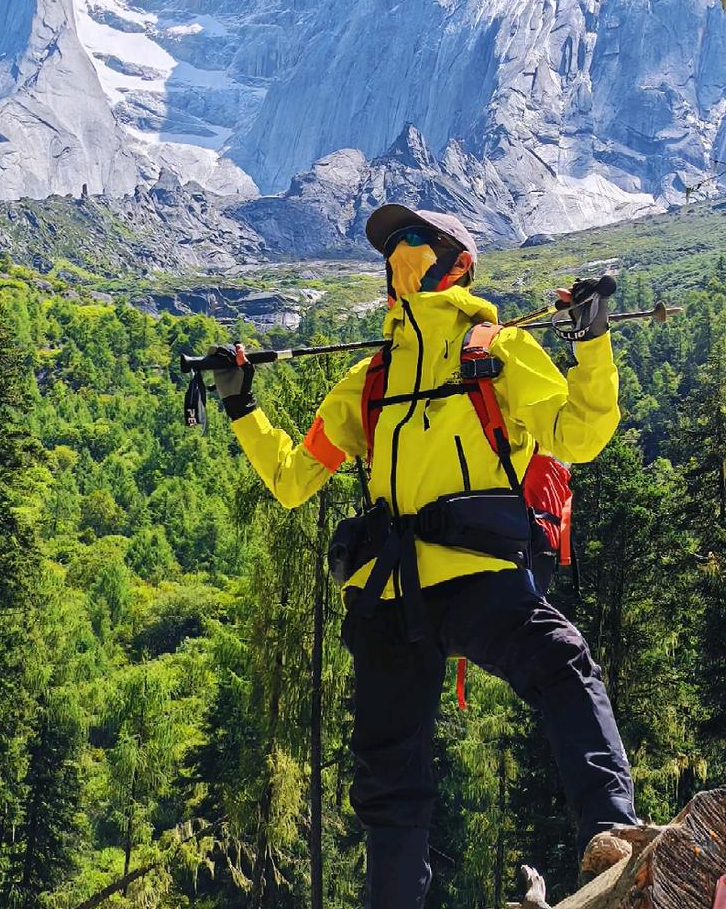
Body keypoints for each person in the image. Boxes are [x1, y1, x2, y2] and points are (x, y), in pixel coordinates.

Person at [213, 204, 638, 908]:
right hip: (390, 597)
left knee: (563, 667)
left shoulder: (498, 349)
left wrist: (592, 342)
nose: (403, 253)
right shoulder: (369, 380)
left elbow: (581, 435)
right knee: (389, 780)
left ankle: (614, 837)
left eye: (419, 242)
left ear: (459, 262)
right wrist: (241, 407)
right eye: (395, 246)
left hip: (479, 579)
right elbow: (293, 480)